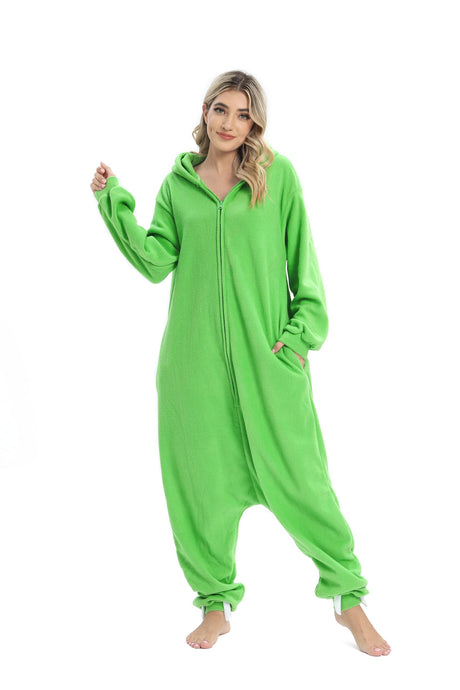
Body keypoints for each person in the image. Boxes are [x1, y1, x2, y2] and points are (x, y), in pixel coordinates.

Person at [90, 70, 391, 656]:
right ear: (205, 112)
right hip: (193, 368)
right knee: (200, 489)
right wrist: (112, 202)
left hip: (269, 362)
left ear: (255, 123)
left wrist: (300, 337)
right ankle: (215, 604)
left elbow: (305, 266)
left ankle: (348, 599)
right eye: (220, 109)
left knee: (304, 483)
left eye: (243, 114)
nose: (229, 123)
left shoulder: (277, 177)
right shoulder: (179, 185)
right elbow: (155, 261)